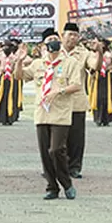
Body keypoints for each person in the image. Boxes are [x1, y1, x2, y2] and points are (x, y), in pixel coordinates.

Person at [16, 28, 82, 200]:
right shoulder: (39, 64)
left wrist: (58, 91)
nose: (53, 42)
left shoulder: (70, 63)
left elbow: (76, 85)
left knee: (56, 149)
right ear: (43, 44)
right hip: (42, 113)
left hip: (61, 113)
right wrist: (19, 61)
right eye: (49, 39)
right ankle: (52, 187)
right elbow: (19, 76)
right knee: (45, 153)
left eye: (55, 38)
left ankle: (66, 182)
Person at [60, 22, 101, 178]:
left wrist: (99, 52)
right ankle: (57, 167)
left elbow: (95, 66)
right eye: (70, 34)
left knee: (76, 138)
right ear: (62, 35)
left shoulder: (83, 54)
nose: (73, 37)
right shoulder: (54, 52)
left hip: (77, 102)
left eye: (76, 35)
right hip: (58, 101)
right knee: (57, 139)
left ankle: (74, 167)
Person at [90, 39, 112, 127]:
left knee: (107, 98)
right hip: (97, 77)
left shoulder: (109, 54)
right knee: (98, 98)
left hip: (107, 77)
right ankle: (98, 118)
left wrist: (111, 62)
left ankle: (106, 119)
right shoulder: (94, 54)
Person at [0, 39, 22, 125]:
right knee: (1, 96)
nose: (5, 48)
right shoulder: (1, 55)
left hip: (12, 78)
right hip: (3, 77)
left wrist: (13, 65)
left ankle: (10, 117)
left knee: (11, 97)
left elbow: (18, 66)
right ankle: (1, 117)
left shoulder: (15, 57)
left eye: (7, 46)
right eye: (4, 46)